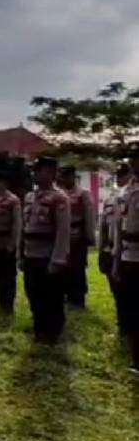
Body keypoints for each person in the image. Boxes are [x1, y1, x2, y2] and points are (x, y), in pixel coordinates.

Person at [21, 156, 70, 344]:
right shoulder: (30, 197)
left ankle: (53, 333)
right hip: (31, 254)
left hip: (47, 255)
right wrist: (21, 254)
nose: (34, 174)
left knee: (52, 297)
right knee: (34, 294)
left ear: (50, 172)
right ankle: (39, 329)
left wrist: (57, 259)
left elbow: (63, 231)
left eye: (38, 170)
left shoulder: (59, 197)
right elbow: (25, 228)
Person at [113, 144, 139, 371]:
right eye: (132, 159)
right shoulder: (126, 192)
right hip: (129, 255)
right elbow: (119, 227)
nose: (134, 163)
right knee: (131, 307)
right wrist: (116, 259)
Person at [59, 166, 96, 309]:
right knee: (63, 267)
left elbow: (89, 215)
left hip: (78, 235)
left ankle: (78, 297)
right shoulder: (59, 194)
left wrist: (89, 235)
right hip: (63, 237)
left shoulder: (82, 194)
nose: (65, 179)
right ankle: (65, 295)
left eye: (67, 176)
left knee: (77, 268)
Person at [100, 162, 131, 334]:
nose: (120, 179)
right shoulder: (111, 199)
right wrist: (102, 246)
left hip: (128, 249)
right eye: (117, 175)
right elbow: (104, 225)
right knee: (116, 289)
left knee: (127, 289)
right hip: (111, 248)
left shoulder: (130, 196)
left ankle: (128, 324)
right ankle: (122, 322)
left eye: (123, 175)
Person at [0, 170, 22, 312]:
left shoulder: (12, 200)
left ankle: (7, 304)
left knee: (7, 276)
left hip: (6, 240)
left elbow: (16, 224)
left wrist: (13, 243)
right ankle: (0, 302)